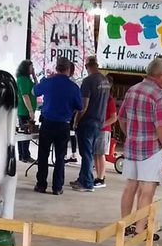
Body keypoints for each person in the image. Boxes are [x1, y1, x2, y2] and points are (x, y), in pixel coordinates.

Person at [118, 56, 162, 240]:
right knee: (147, 190)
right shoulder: (159, 95)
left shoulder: (132, 90)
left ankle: (124, 225)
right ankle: (140, 231)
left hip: (132, 146)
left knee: (130, 187)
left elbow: (122, 117)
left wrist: (130, 135)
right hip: (151, 149)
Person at [33, 57, 82, 195]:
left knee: (43, 155)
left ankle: (41, 184)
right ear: (68, 69)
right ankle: (57, 187)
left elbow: (34, 91)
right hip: (63, 125)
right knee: (60, 157)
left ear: (57, 68)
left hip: (47, 123)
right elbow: (79, 106)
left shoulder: (48, 82)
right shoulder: (73, 87)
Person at [71, 56, 111, 193]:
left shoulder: (88, 81)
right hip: (99, 122)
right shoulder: (105, 81)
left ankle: (87, 183)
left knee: (86, 153)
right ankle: (83, 178)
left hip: (88, 121)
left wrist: (76, 121)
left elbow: (84, 105)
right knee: (91, 152)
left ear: (87, 66)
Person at [94, 85, 117, 189]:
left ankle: (101, 177)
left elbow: (114, 117)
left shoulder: (109, 100)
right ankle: (98, 176)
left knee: (101, 154)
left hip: (104, 130)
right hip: (96, 129)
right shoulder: (99, 99)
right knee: (96, 154)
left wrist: (103, 124)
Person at [16, 59, 37, 163]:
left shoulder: (28, 79)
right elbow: (25, 95)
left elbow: (37, 87)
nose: (32, 69)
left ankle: (23, 154)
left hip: (27, 110)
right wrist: (30, 110)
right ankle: (25, 155)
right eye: (31, 67)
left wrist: (34, 75)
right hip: (24, 110)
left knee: (24, 133)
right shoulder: (22, 79)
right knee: (26, 134)